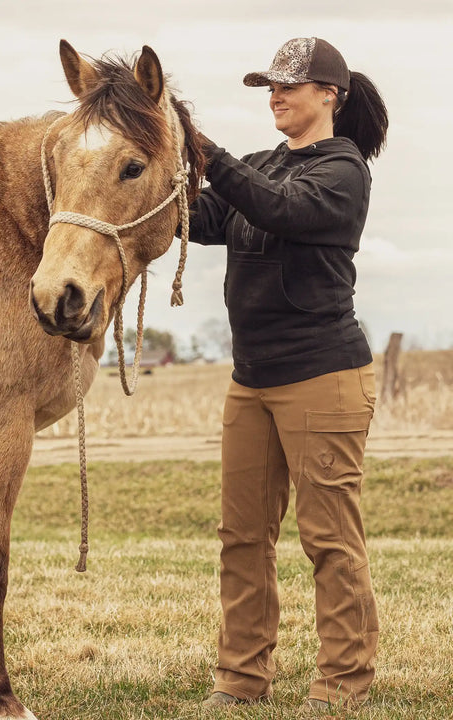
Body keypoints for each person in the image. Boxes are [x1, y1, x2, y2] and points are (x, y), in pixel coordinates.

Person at [188, 37, 388, 712]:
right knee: (242, 539)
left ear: (329, 94)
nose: (274, 95)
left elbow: (280, 209)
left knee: (330, 540)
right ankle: (242, 683)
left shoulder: (343, 170)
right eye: (268, 86)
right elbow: (207, 215)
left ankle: (343, 684)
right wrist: (152, 176)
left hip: (322, 377)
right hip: (252, 380)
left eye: (287, 86)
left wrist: (210, 156)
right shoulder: (267, 164)